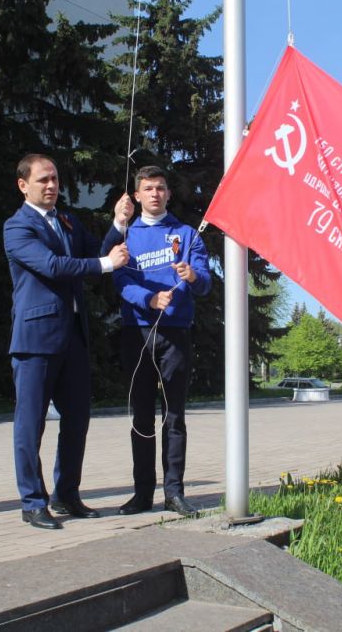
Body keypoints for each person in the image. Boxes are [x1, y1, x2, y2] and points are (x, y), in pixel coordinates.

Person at [3, 153, 130, 530]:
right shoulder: (17, 227)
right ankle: (32, 501)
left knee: (77, 419)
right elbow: (54, 267)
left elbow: (96, 251)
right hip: (35, 339)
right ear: (23, 185)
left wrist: (118, 223)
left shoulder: (67, 220)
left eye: (55, 178)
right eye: (43, 179)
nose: (52, 185)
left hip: (73, 335)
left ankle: (67, 494)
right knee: (30, 424)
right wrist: (106, 265)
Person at [108, 166, 212, 517]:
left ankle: (174, 492)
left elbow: (205, 283)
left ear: (169, 194)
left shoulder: (187, 235)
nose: (155, 194)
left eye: (161, 188)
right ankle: (141, 494)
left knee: (174, 415)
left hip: (176, 334)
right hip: (137, 333)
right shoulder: (126, 235)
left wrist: (192, 275)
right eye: (148, 189)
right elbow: (118, 278)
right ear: (136, 195)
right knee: (141, 416)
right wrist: (148, 300)